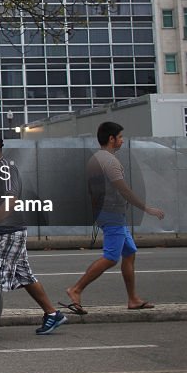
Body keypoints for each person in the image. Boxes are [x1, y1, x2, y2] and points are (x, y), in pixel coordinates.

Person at [64, 121, 165, 314]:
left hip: (108, 212)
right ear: (111, 139)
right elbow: (123, 190)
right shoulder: (109, 161)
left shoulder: (97, 158)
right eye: (119, 137)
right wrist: (147, 208)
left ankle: (133, 299)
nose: (122, 140)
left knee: (129, 252)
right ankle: (75, 289)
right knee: (111, 257)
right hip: (111, 214)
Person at [0, 130, 66, 336]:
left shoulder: (5, 168)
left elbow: (11, 200)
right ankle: (52, 314)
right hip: (5, 230)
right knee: (25, 276)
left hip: (9, 231)